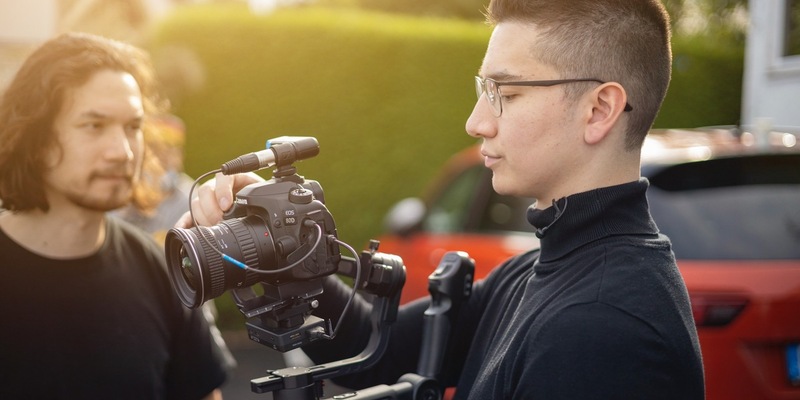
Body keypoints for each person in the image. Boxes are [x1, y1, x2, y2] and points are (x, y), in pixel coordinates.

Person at [181, 0, 705, 398]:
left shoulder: (602, 328)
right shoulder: (540, 268)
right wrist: (281, 248)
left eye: (507, 92)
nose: (476, 121)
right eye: (483, 89)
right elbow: (377, 351)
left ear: (599, 110)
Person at [0, 32, 230, 399]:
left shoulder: (157, 268)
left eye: (133, 127)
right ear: (36, 138)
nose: (123, 152)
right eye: (94, 125)